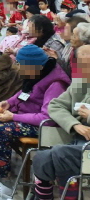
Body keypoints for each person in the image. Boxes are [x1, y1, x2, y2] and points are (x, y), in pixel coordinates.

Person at [0, 44, 70, 198]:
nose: (17, 68)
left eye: (20, 64)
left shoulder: (56, 84)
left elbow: (48, 118)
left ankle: (5, 183)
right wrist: (8, 103)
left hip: (46, 129)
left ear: (32, 66)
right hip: (26, 117)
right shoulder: (37, 75)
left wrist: (13, 117)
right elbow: (24, 93)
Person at [32, 44, 90, 200]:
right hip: (79, 142)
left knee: (61, 153)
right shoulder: (80, 84)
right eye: (83, 64)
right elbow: (55, 105)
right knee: (42, 157)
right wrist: (75, 124)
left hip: (84, 147)